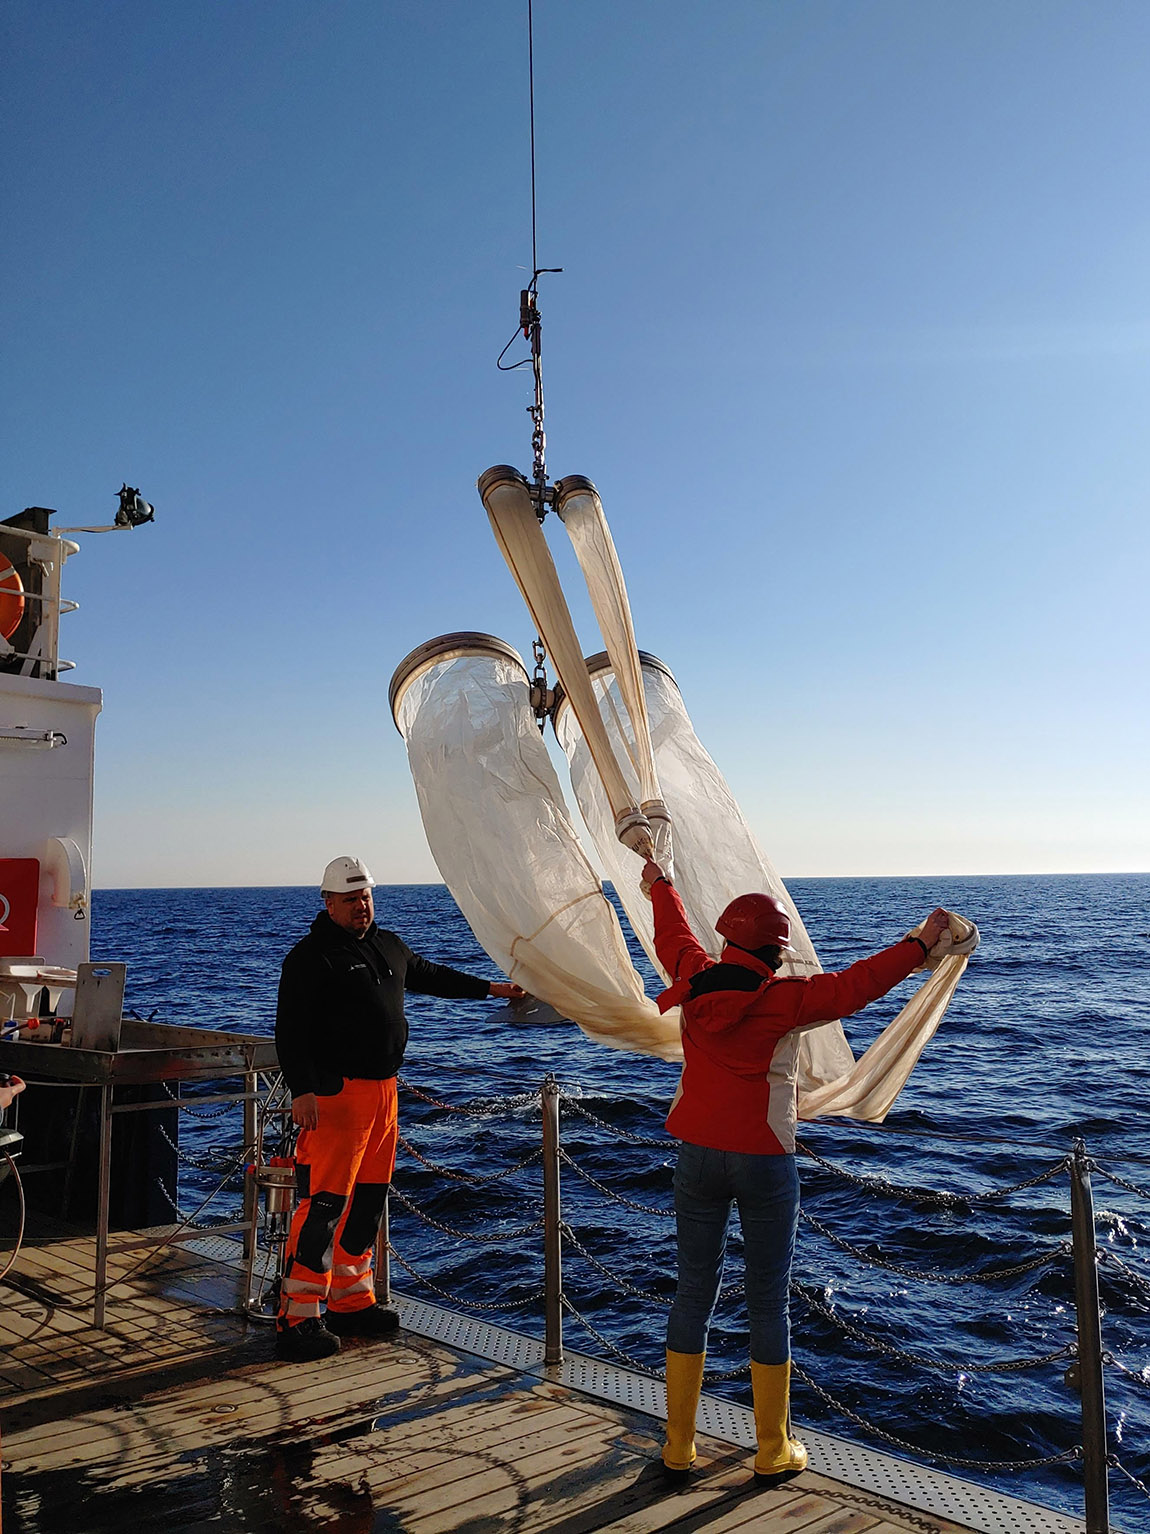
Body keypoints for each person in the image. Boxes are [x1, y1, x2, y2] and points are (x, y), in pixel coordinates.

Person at [641, 857, 952, 1486]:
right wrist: (919, 942)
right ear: (778, 952)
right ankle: (772, 1447)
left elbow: (674, 936)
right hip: (764, 1159)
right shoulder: (786, 999)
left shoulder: (693, 978)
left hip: (697, 1154)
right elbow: (856, 985)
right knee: (767, 1301)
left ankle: (678, 1448)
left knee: (692, 1292)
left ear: (727, 939)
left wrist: (661, 883)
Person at [274, 855, 525, 1363]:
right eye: (350, 899)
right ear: (327, 903)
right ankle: (298, 1316)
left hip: (384, 1094)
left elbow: (430, 975)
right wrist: (301, 1091)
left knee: (368, 1201)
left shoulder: (388, 945)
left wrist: (492, 989)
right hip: (334, 1096)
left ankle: (350, 1300)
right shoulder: (310, 957)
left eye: (366, 896)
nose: (361, 906)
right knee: (324, 1204)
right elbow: (290, 1028)